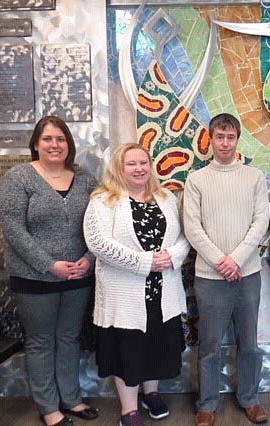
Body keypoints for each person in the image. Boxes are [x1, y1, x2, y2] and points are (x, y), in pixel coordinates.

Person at [0, 116, 99, 426]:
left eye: (61, 139)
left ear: (69, 144)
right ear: (36, 144)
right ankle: (48, 407)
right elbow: (14, 230)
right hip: (34, 278)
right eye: (48, 139)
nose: (55, 145)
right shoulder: (18, 178)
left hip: (77, 276)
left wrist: (88, 259)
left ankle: (71, 399)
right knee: (41, 341)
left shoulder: (85, 179)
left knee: (69, 338)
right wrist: (49, 264)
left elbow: (99, 226)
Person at [83, 143, 189, 426]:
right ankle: (129, 409)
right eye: (131, 164)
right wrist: (145, 262)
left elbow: (183, 236)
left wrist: (172, 256)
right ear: (119, 167)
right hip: (124, 294)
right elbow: (99, 243)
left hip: (162, 291)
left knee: (154, 345)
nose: (139, 168)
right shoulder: (103, 200)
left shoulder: (165, 197)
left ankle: (151, 394)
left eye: (143, 162)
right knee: (127, 352)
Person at [183, 113, 270, 426]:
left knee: (249, 342)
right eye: (219, 137)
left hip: (247, 275)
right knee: (209, 344)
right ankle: (207, 404)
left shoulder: (254, 177)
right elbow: (192, 227)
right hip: (210, 277)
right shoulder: (196, 179)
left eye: (230, 137)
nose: (224, 142)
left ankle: (250, 399)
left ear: (237, 139)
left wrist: (237, 259)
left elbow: (261, 221)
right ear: (210, 139)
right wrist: (221, 260)